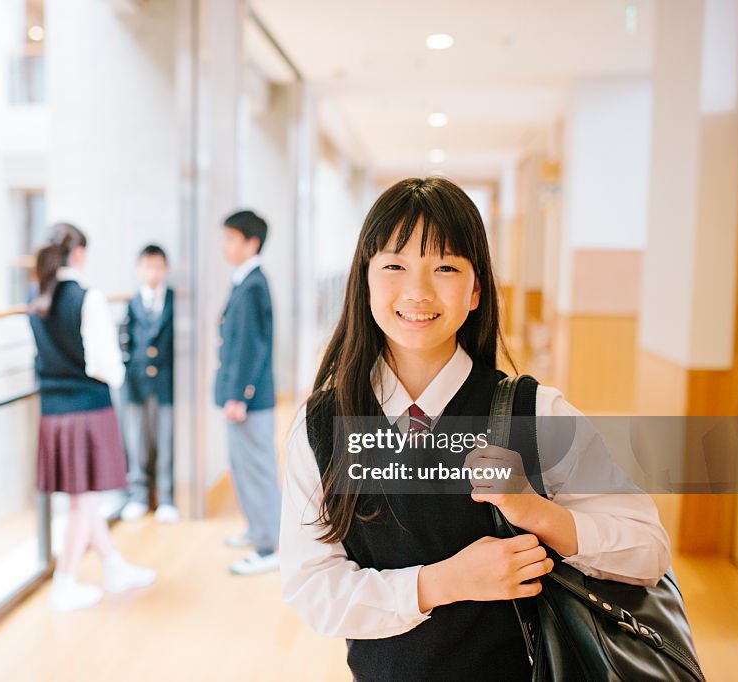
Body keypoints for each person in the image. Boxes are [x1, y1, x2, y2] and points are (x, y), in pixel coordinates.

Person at [279, 178, 671, 680]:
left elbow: (646, 551)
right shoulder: (321, 425)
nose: (418, 291)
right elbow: (312, 587)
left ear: (476, 289)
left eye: (445, 267)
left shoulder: (537, 413)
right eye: (395, 265)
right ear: (366, 281)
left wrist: (536, 511)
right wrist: (445, 582)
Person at [29, 223, 156, 612]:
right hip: (87, 407)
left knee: (82, 497)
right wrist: (118, 373)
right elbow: (107, 366)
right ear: (79, 254)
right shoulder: (89, 299)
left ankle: (113, 566)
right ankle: (64, 582)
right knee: (85, 501)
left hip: (53, 412)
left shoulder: (37, 299)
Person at [215, 210, 281, 576]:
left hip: (249, 397)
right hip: (240, 394)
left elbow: (251, 346)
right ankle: (258, 528)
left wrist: (240, 393)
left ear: (251, 242)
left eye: (231, 238)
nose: (225, 245)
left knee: (257, 468)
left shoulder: (254, 283)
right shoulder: (244, 280)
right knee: (243, 466)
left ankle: (269, 544)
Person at [120, 244, 178, 524]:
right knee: (137, 441)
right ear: (138, 269)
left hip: (167, 383)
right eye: (147, 266)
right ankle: (138, 496)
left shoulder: (175, 301)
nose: (153, 272)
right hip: (136, 383)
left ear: (165, 269)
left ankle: (166, 497)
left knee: (166, 441)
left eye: (157, 266)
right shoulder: (131, 303)